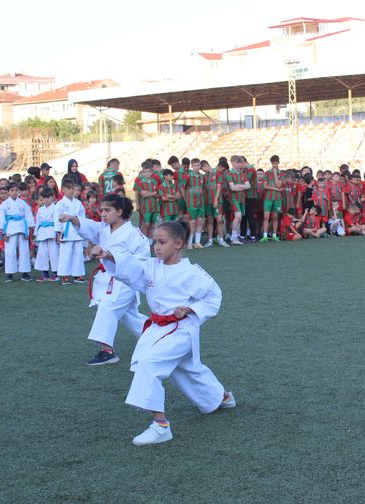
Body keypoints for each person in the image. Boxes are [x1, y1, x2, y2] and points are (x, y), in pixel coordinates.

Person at [93, 220, 235, 446]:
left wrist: (190, 308)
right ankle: (221, 397)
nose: (156, 247)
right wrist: (108, 255)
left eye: (162, 242)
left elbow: (213, 297)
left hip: (182, 329)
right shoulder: (151, 267)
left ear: (178, 244)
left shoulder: (192, 272)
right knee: (187, 369)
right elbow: (130, 265)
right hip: (159, 327)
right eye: (154, 243)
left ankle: (160, 426)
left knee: (149, 364)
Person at [59, 194, 152, 365]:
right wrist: (73, 218)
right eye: (101, 210)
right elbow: (90, 227)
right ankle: (155, 337)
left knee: (108, 308)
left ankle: (107, 350)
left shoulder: (134, 235)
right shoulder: (103, 228)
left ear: (119, 211)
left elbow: (142, 261)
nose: (103, 214)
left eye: (107, 210)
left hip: (124, 280)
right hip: (107, 279)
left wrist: (110, 256)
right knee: (128, 316)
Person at [0, 182, 35, 283]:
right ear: (8, 192)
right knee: (9, 252)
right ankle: (9, 273)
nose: (14, 192)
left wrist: (29, 230)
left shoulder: (23, 203)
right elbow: (0, 220)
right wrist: (3, 233)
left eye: (16, 190)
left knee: (24, 251)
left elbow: (29, 217)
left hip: (22, 228)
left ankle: (25, 273)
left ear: (19, 192)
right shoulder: (4, 205)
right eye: (12, 190)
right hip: (9, 229)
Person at [55, 180, 86, 285]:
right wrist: (58, 232)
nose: (71, 191)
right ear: (63, 190)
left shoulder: (78, 203)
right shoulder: (60, 204)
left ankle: (78, 274)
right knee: (65, 253)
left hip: (77, 229)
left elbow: (82, 217)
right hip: (66, 229)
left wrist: (83, 228)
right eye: (69, 188)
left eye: (73, 188)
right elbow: (57, 219)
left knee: (78, 253)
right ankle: (65, 275)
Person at [34, 187, 60, 282]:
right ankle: (44, 273)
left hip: (52, 231)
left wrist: (57, 232)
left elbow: (57, 221)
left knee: (53, 253)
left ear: (52, 197)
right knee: (42, 253)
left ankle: (55, 273)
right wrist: (35, 233)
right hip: (42, 232)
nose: (46, 200)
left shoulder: (56, 208)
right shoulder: (40, 209)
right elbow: (38, 222)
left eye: (48, 198)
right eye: (44, 198)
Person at [223, 155, 250, 245]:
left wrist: (238, 186)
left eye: (241, 163)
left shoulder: (242, 174)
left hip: (241, 199)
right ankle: (233, 236)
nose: (240, 165)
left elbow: (248, 186)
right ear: (233, 163)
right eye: (238, 163)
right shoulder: (229, 174)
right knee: (238, 216)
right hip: (233, 199)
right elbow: (232, 188)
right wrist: (243, 187)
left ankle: (236, 237)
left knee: (240, 217)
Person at [134, 160, 161, 240]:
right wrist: (153, 193)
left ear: (152, 172)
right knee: (145, 224)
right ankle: (143, 241)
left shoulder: (155, 182)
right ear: (143, 172)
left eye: (149, 171)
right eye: (145, 171)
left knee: (152, 225)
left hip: (155, 206)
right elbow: (143, 194)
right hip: (145, 206)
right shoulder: (140, 181)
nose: (147, 173)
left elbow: (158, 194)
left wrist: (150, 193)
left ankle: (150, 242)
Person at [260, 155, 284, 242]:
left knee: (275, 216)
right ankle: (265, 235)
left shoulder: (281, 174)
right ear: (271, 163)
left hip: (277, 198)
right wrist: (276, 189)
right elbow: (265, 186)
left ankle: (274, 235)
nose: (274, 165)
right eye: (273, 163)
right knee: (266, 216)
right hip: (268, 198)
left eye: (276, 163)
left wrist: (274, 173)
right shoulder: (266, 173)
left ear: (278, 163)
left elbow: (279, 185)